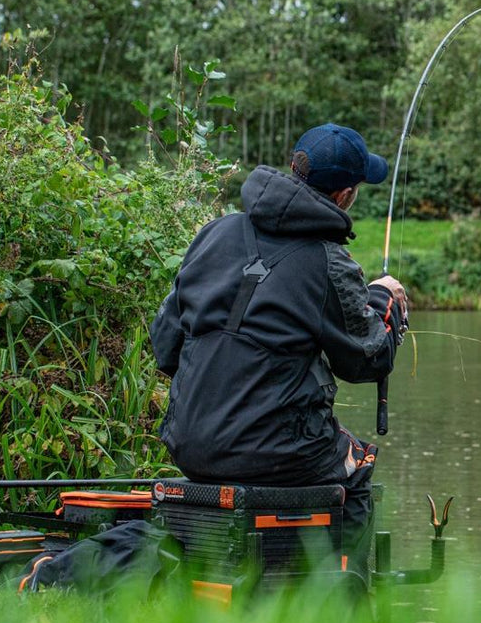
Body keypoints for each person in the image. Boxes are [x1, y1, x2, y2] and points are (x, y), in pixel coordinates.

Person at [149, 123, 407, 580]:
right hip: (277, 452)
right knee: (357, 467)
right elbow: (367, 359)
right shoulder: (328, 261)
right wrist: (385, 300)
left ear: (293, 167)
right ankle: (345, 598)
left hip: (188, 444)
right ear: (345, 195)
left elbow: (165, 347)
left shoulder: (213, 234)